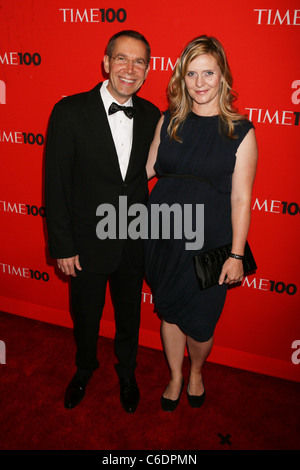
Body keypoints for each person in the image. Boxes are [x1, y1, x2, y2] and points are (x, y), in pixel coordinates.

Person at [45, 30, 161, 412]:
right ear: (106, 62)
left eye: (139, 61)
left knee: (130, 314)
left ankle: (127, 372)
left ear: (147, 70)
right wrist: (62, 245)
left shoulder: (151, 115)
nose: (130, 68)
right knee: (86, 317)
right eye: (122, 58)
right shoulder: (69, 112)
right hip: (85, 244)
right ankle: (84, 367)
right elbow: (56, 183)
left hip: (132, 241)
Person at [145, 35, 258, 411]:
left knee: (201, 322)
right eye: (191, 73)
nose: (200, 82)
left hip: (212, 243)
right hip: (164, 235)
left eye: (208, 72)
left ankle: (196, 370)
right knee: (169, 312)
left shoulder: (240, 130)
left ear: (222, 74)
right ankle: (176, 376)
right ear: (181, 77)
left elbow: (241, 198)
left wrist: (237, 255)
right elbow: (145, 172)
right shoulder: (170, 121)